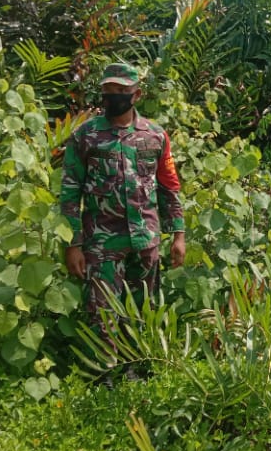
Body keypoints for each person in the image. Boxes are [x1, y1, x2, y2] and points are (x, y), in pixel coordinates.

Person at [60, 63, 186, 332]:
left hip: (145, 240)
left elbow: (169, 187)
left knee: (142, 311)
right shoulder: (85, 136)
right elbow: (70, 192)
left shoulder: (155, 136)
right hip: (102, 242)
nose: (113, 96)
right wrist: (73, 243)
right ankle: (105, 371)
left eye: (121, 90)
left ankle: (137, 370)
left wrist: (178, 234)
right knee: (102, 313)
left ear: (136, 95)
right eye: (108, 90)